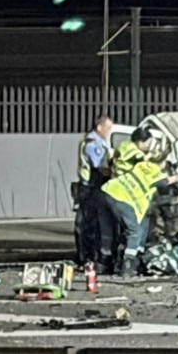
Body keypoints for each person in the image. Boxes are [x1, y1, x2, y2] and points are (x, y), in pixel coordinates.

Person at [100, 136, 168, 276]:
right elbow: (163, 183)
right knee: (135, 231)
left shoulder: (140, 165)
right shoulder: (153, 170)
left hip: (108, 191)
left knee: (120, 232)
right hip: (122, 198)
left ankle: (116, 264)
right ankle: (128, 267)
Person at [74, 115, 115, 268]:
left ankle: (90, 257)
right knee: (90, 225)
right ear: (100, 128)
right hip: (90, 188)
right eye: (108, 128)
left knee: (92, 224)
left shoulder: (97, 142)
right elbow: (100, 167)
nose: (110, 131)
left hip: (91, 187)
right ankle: (89, 258)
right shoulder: (93, 144)